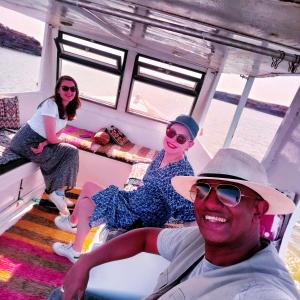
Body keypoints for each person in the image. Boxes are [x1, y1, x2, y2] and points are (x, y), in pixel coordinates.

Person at [56, 148, 299, 299]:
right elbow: (144, 237)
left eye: (229, 193)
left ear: (259, 208)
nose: (210, 204)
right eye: (202, 190)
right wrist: (84, 263)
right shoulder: (196, 240)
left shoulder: (259, 289)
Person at [52, 114, 199, 262]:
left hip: (139, 216)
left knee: (89, 187)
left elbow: (189, 212)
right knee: (85, 204)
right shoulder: (163, 153)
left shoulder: (182, 173)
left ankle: (72, 223)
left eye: (180, 139)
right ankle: (75, 250)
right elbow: (149, 183)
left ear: (189, 145)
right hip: (134, 200)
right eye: (171, 133)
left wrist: (190, 241)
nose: (173, 140)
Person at [10, 75, 81, 216]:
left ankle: (58, 192)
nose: (69, 91)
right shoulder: (50, 104)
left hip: (40, 141)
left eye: (72, 89)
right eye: (65, 88)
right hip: (25, 141)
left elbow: (54, 137)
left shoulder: (67, 111)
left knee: (71, 152)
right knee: (70, 152)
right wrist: (55, 142)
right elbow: (53, 137)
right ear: (58, 90)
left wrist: (44, 143)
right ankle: (56, 193)